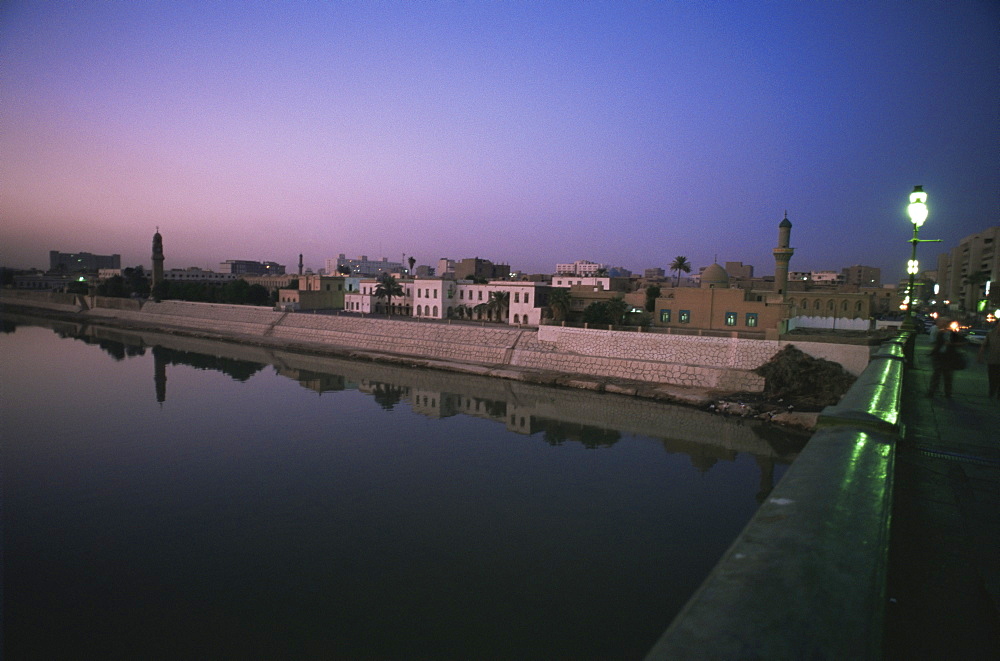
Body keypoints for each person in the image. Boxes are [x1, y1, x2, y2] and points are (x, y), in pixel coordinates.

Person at [927, 317, 965, 398]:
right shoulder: (940, 333)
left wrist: (950, 344)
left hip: (948, 358)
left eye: (940, 322)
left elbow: (962, 343)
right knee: (938, 375)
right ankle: (933, 392)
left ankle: (946, 393)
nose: (938, 324)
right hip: (940, 357)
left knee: (945, 376)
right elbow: (938, 345)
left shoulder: (953, 334)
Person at [978, 324, 1000, 399]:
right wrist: (980, 355)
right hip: (992, 360)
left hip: (994, 360)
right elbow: (984, 345)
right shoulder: (991, 333)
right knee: (992, 377)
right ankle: (992, 391)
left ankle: (997, 393)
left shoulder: (991, 333)